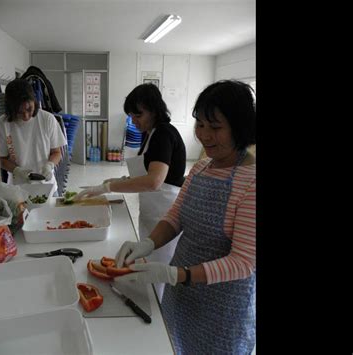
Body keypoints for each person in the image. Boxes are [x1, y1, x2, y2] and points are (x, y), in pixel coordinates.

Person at [113, 80, 256, 354]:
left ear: (240, 127)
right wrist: (149, 243)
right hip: (181, 293)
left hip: (222, 309)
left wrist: (177, 273)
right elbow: (176, 216)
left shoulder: (251, 182)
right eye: (200, 124)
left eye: (215, 127)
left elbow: (243, 262)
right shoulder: (201, 168)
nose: (204, 135)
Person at [75, 83, 186, 301]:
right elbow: (147, 172)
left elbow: (154, 181)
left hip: (165, 211)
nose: (134, 120)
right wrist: (120, 180)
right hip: (151, 210)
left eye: (138, 114)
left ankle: (158, 314)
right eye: (131, 115)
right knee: (148, 260)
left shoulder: (163, 134)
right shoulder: (150, 133)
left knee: (158, 268)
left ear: (154, 110)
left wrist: (108, 187)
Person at [0, 78, 67, 194]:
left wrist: (49, 165)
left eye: (29, 109)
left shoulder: (47, 119)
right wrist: (16, 170)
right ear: (11, 109)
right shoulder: (2, 124)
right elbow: (1, 159)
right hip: (17, 189)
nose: (26, 115)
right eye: (19, 112)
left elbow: (57, 152)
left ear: (34, 101)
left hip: (47, 187)